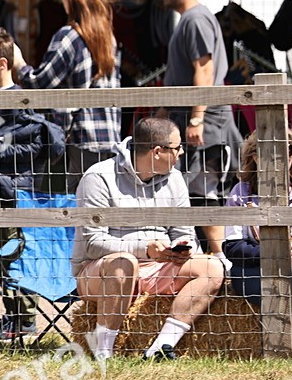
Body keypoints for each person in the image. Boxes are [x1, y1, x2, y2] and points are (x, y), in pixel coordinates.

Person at [74, 117, 225, 360]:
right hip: (104, 271)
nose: (182, 152)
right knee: (124, 263)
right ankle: (103, 353)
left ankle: (160, 348)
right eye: (177, 147)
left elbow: (184, 233)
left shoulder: (175, 179)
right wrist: (145, 250)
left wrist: (182, 250)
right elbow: (92, 244)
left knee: (212, 267)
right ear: (157, 151)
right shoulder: (98, 177)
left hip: (158, 266)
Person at [0, 31, 60, 341]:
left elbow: (34, 147)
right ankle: (11, 317)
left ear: (3, 63)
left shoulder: (22, 99)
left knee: (16, 254)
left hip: (17, 190)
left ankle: (23, 319)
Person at [160, 0, 244, 265]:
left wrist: (196, 117)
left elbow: (204, 70)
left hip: (206, 123)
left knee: (204, 190)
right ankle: (213, 255)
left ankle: (221, 257)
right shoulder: (189, 19)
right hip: (195, 118)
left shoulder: (195, 19)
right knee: (195, 189)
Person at [14, 0, 122, 190]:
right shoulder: (108, 37)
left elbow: (40, 83)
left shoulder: (69, 36)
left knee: (79, 205)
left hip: (81, 137)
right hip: (110, 135)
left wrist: (19, 64)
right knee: (103, 202)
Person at [221, 132, 292, 307]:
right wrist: (271, 253)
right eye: (271, 154)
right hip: (254, 268)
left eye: (287, 152)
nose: (281, 159)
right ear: (256, 157)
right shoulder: (241, 192)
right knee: (287, 285)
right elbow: (232, 246)